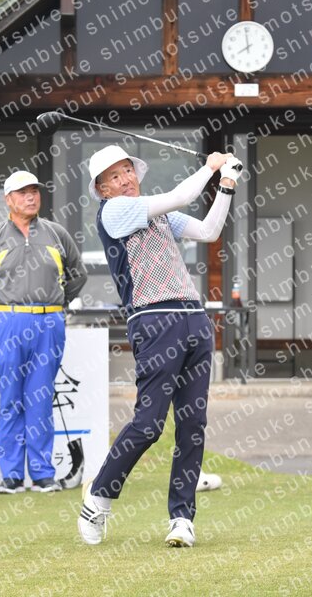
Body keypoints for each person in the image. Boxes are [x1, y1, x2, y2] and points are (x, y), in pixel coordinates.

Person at [77, 145, 242, 547]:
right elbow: (182, 194)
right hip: (154, 322)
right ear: (102, 189)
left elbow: (208, 231)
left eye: (127, 171)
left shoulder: (158, 213)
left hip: (194, 318)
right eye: (113, 177)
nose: (124, 180)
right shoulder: (114, 212)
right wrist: (210, 168)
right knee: (149, 424)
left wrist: (227, 185)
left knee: (193, 424)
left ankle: (182, 518)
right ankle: (98, 497)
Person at [0, 170, 87, 493]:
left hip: (49, 322)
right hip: (8, 323)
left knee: (40, 399)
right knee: (11, 400)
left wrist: (57, 301)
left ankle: (43, 474)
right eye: (22, 192)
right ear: (8, 200)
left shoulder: (57, 234)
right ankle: (12, 476)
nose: (31, 196)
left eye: (34, 190)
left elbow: (78, 274)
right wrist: (6, 301)